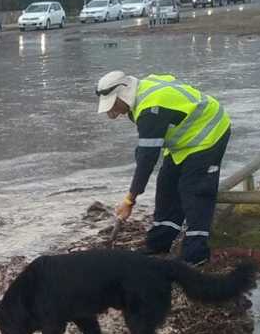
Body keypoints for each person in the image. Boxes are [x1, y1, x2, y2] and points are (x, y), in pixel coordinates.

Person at [96, 69, 231, 265]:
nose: (113, 113)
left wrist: (129, 199)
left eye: (114, 106)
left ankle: (196, 255)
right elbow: (146, 150)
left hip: (209, 135)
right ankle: (159, 243)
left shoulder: (152, 108)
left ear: (123, 93)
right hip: (182, 142)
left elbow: (147, 160)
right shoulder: (141, 95)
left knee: (195, 192)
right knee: (166, 186)